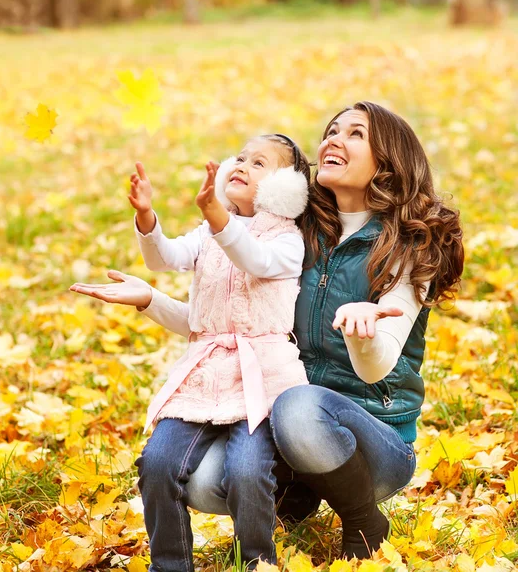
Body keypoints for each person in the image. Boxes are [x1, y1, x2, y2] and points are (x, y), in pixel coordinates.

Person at [72, 102, 464, 562]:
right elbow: (232, 328)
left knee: (296, 406)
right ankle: (298, 494)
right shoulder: (299, 233)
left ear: (390, 162)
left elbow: (379, 365)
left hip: (374, 441)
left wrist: (363, 331)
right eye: (332, 130)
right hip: (284, 428)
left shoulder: (408, 245)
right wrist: (150, 300)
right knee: (202, 480)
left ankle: (362, 517)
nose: (334, 138)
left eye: (356, 134)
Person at [72, 134, 313, 571]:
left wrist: (219, 218)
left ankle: (255, 562)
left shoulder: (286, 241)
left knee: (246, 471)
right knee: (158, 462)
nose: (241, 165)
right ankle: (169, 564)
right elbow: (165, 258)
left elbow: (254, 260)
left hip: (263, 377)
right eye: (239, 158)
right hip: (205, 372)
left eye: (259, 163)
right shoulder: (207, 233)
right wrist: (147, 220)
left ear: (285, 188)